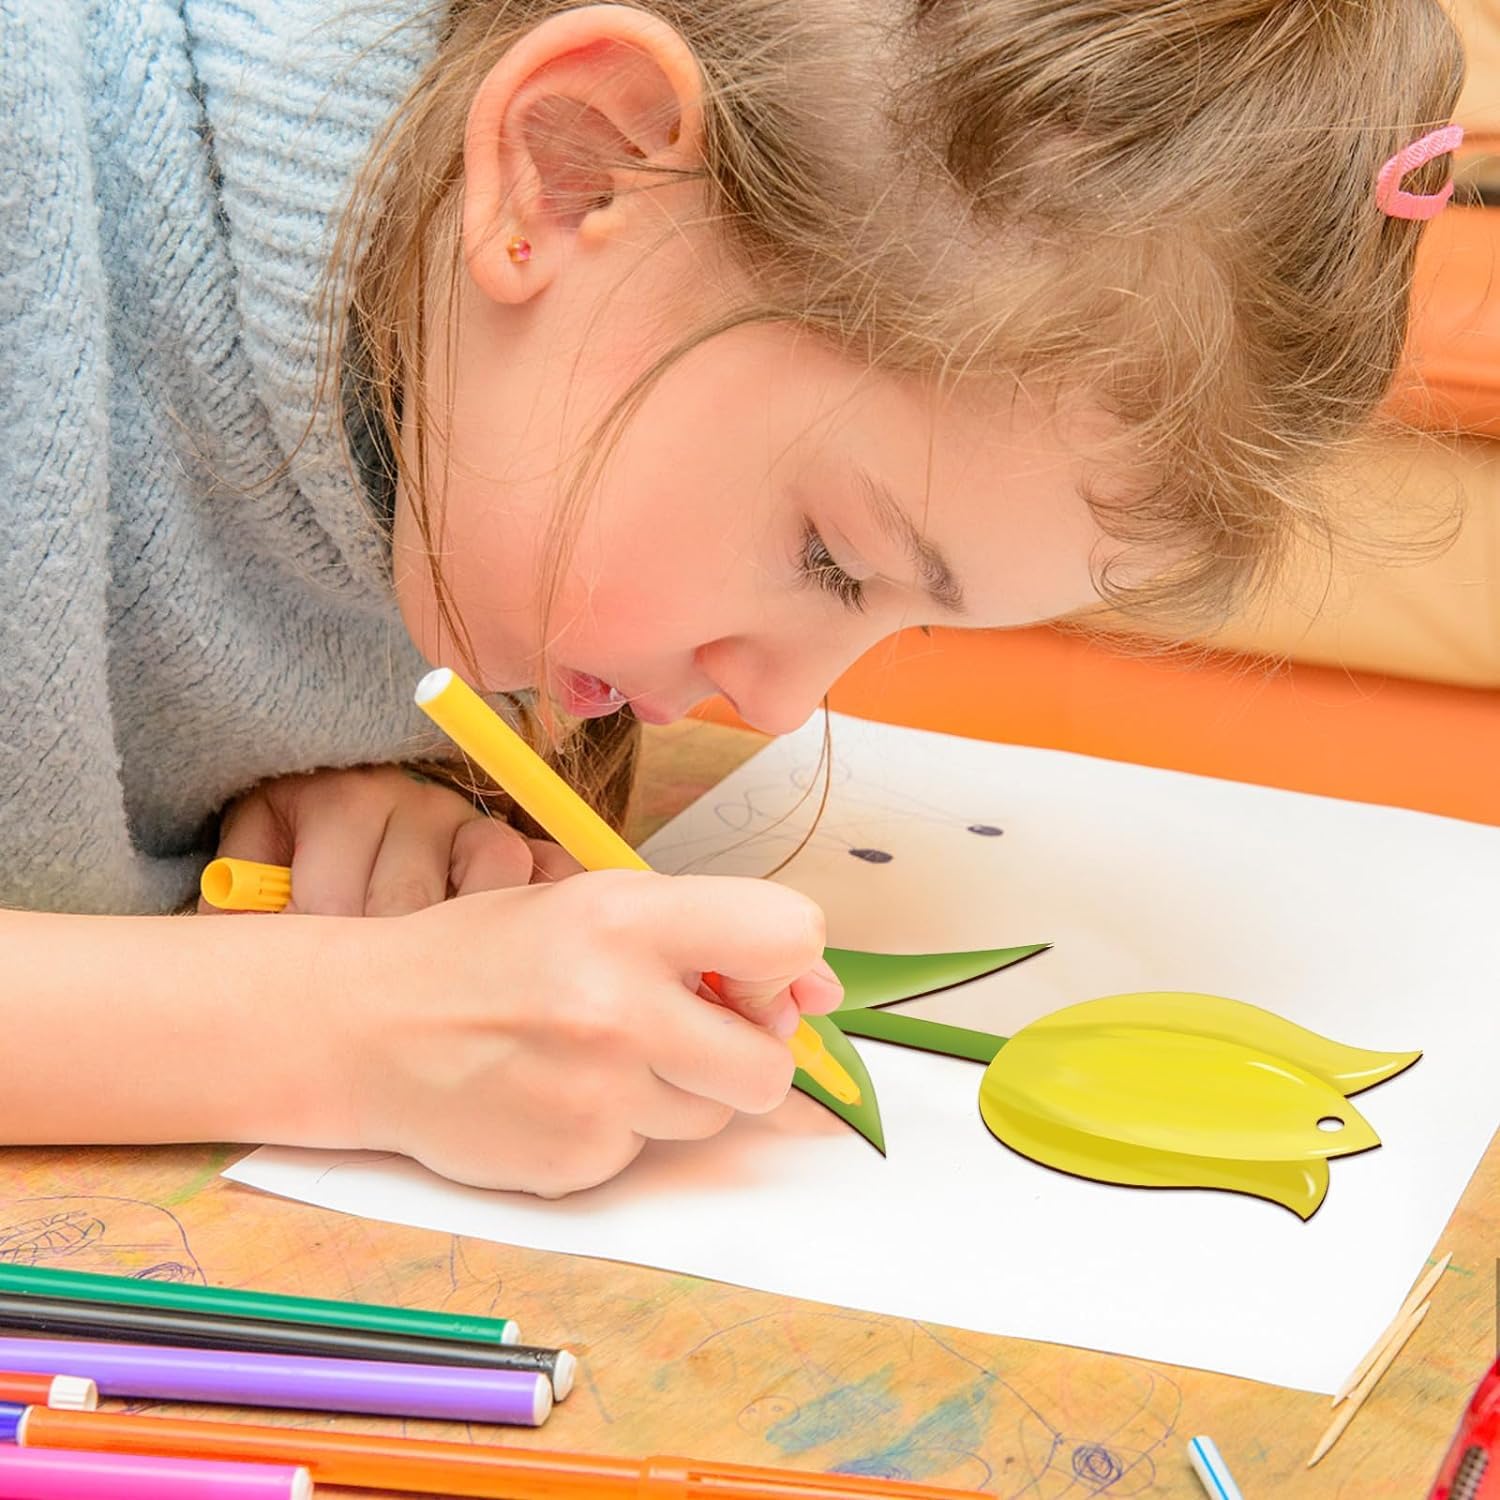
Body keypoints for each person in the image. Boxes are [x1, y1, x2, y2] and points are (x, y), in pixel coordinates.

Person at [0, 0, 1465, 1195]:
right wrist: (332, 1028)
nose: (776, 701)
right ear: (575, 172)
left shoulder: (469, 437)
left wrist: (303, 793)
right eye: (834, 557)